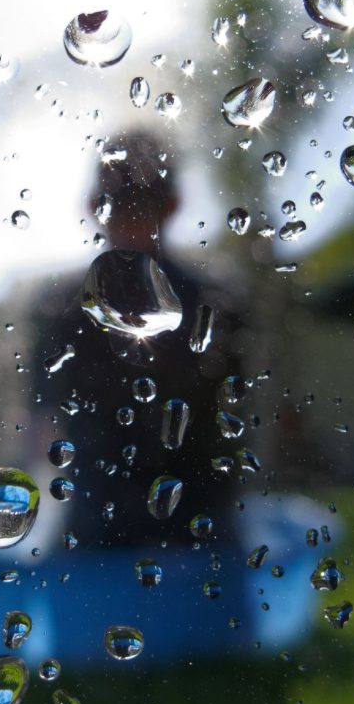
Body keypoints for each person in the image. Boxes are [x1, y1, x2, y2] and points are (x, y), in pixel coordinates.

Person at [31, 130, 246, 549]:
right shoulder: (60, 309)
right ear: (95, 209)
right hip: (101, 529)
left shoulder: (214, 304)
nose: (129, 221)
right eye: (119, 205)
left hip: (197, 531)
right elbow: (38, 428)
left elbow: (242, 422)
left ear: (171, 207)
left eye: (141, 204)